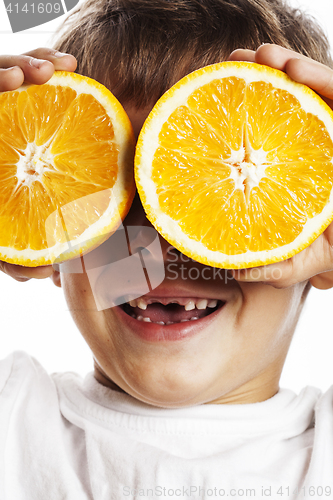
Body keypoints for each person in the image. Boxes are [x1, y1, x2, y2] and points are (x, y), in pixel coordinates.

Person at [1, 0, 333, 498]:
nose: (158, 244)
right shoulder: (13, 414)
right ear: (56, 236)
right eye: (114, 186)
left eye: (222, 190)